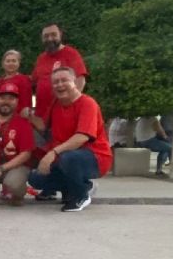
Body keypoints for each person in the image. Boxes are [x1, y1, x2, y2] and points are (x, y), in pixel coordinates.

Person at [29, 67, 112, 212]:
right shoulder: (55, 104)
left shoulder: (87, 103)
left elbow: (81, 137)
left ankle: (81, 196)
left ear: (75, 81)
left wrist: (53, 153)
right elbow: (42, 127)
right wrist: (27, 115)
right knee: (36, 178)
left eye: (64, 80)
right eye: (55, 82)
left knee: (68, 158)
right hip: (65, 157)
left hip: (95, 157)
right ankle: (83, 186)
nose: (59, 85)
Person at [0, 50, 33, 118]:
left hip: (17, 117)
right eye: (8, 61)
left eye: (14, 61)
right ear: (3, 64)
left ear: (19, 63)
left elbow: (25, 104)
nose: (11, 63)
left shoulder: (23, 80)